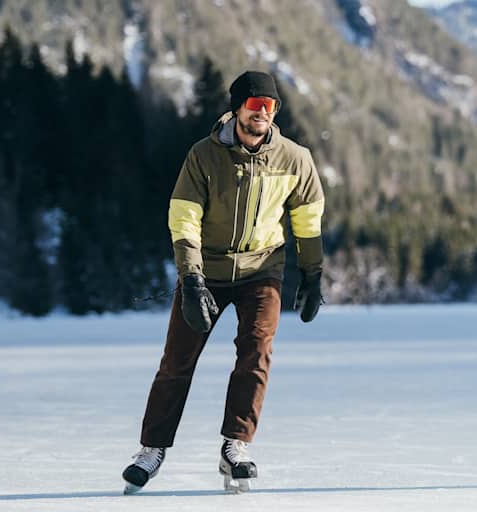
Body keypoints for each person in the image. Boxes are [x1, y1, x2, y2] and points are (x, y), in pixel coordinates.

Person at [122, 71, 327, 494]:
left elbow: (307, 219)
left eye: (270, 108)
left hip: (263, 269)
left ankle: (236, 444)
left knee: (256, 351)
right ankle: (151, 450)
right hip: (208, 271)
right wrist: (192, 279)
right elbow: (184, 218)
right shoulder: (203, 156)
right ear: (237, 109)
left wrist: (313, 272)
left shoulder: (295, 158)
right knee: (177, 359)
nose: (262, 115)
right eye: (255, 107)